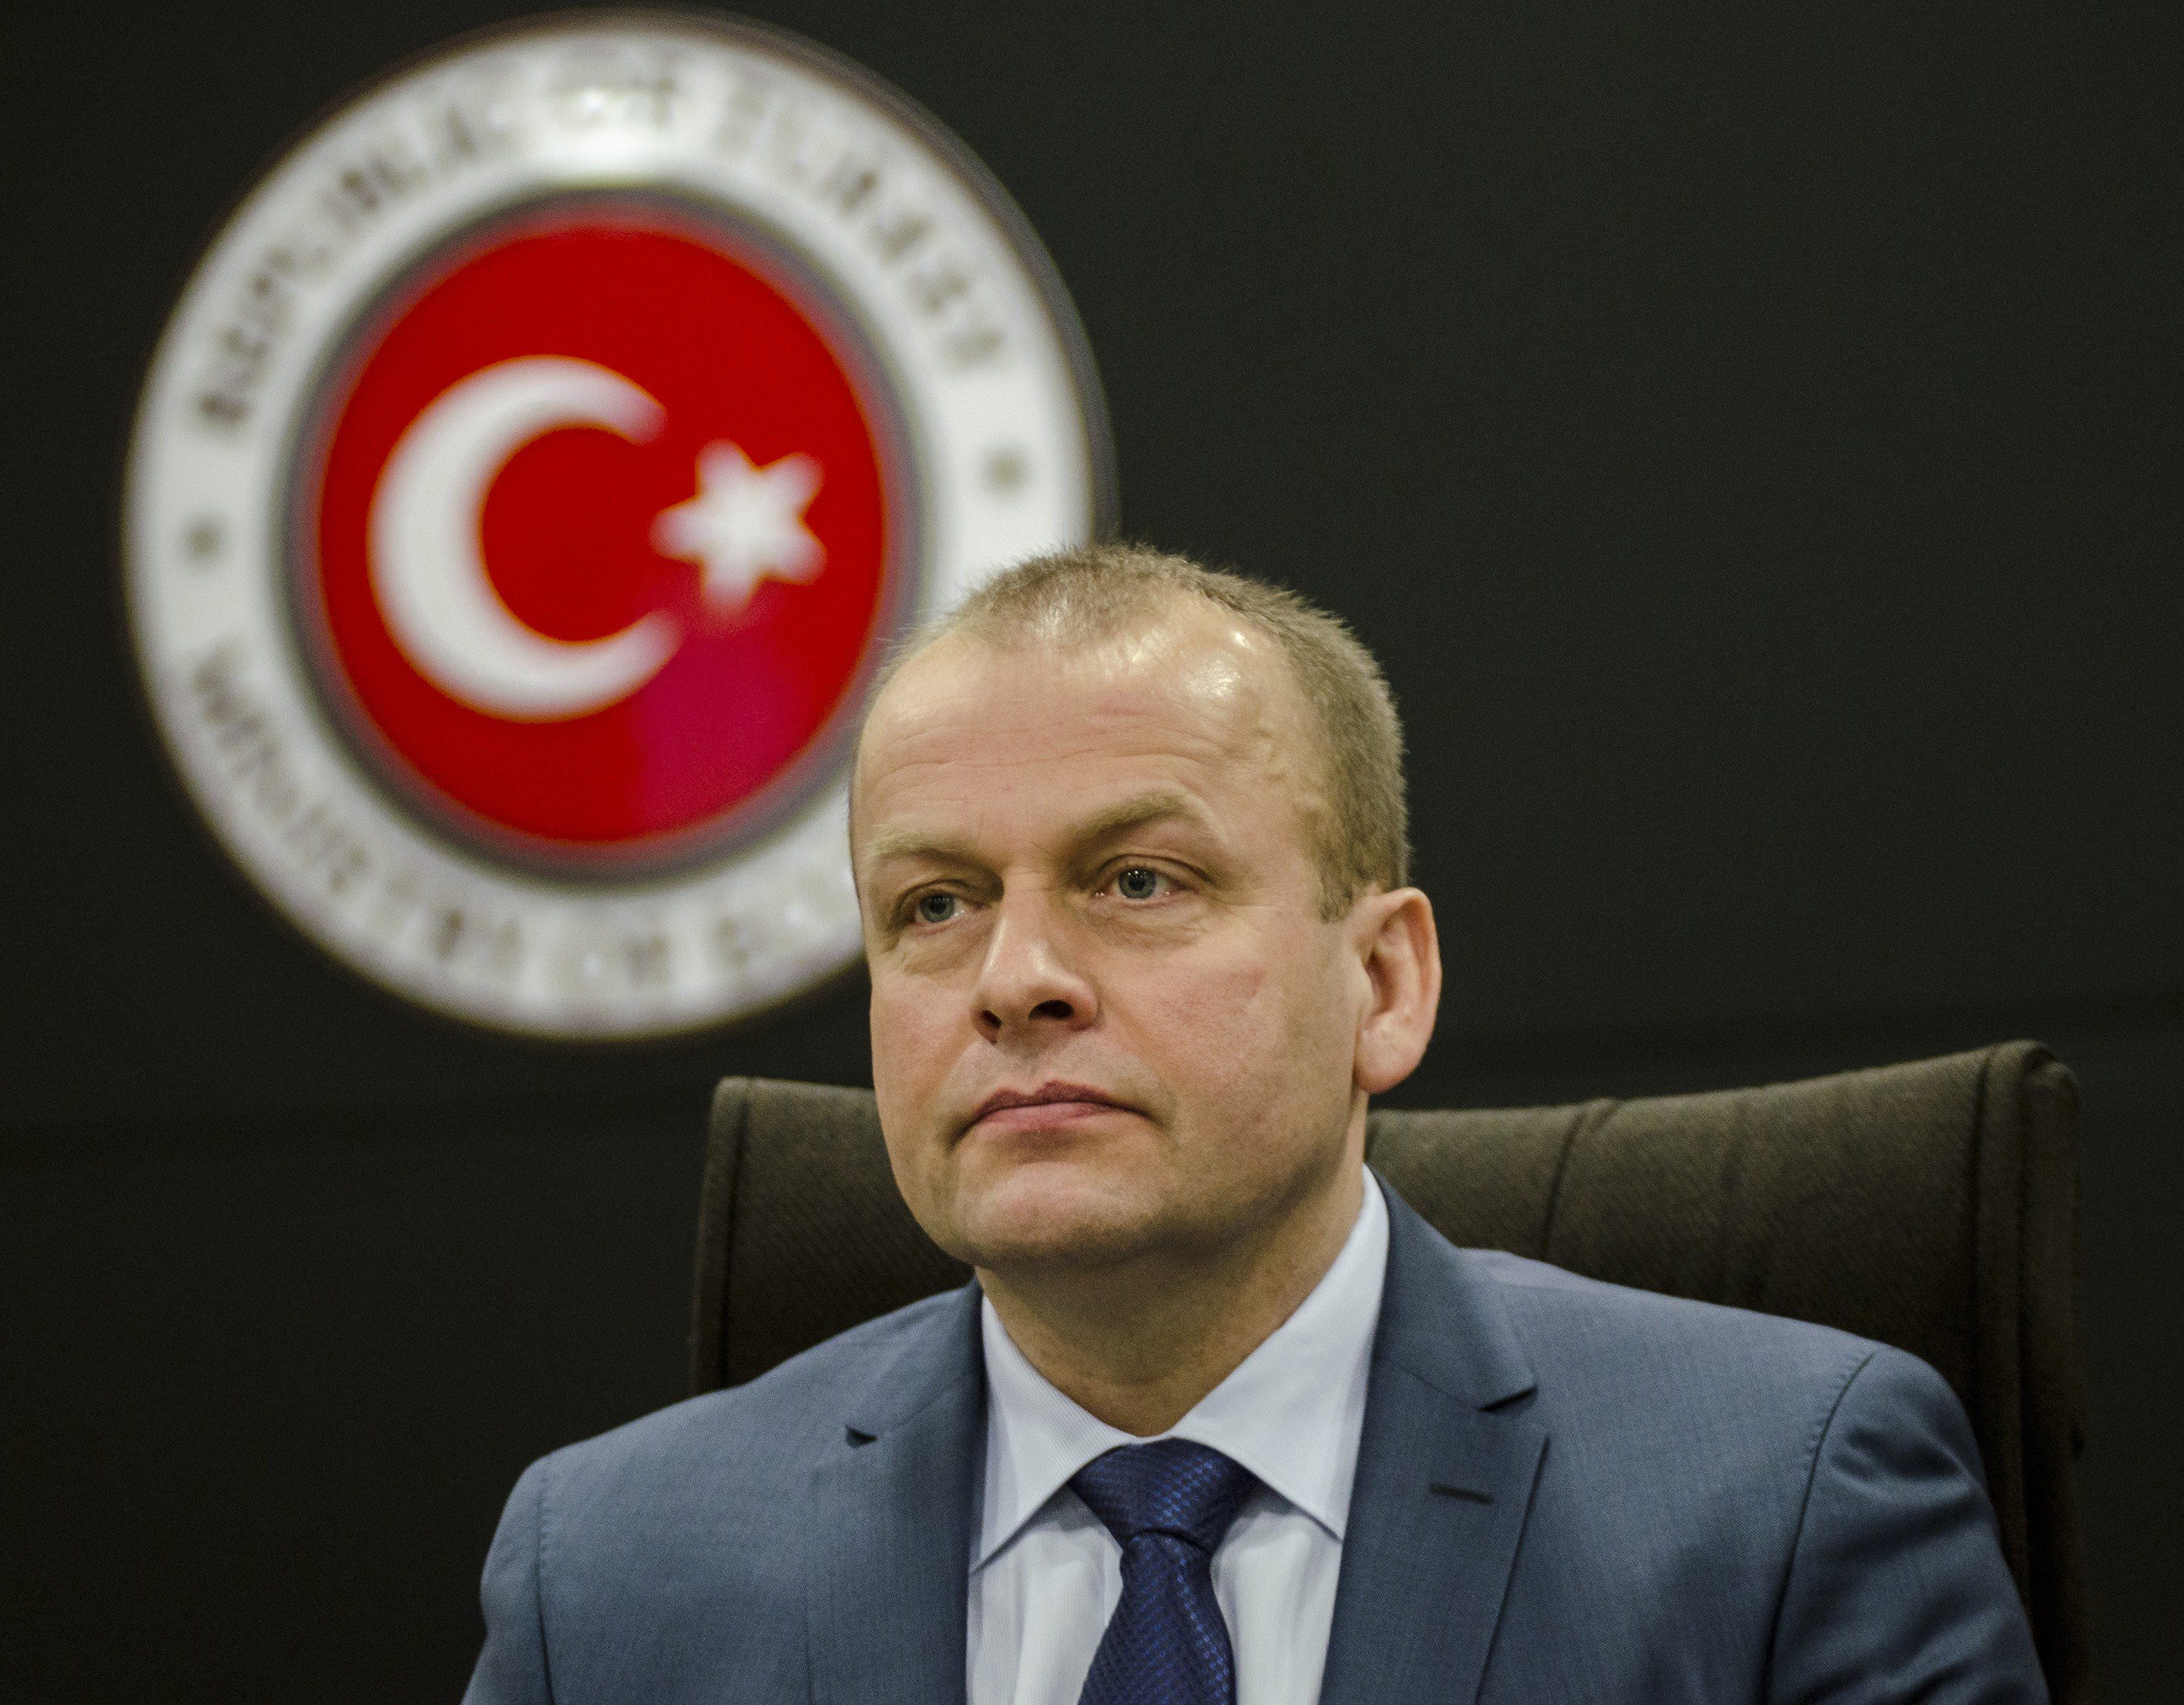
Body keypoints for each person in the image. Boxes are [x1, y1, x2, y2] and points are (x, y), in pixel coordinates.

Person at [464, 545, 2046, 1703]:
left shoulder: (1779, 1509)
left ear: (1380, 981)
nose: (1012, 980)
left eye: (1136, 880)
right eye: (931, 904)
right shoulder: (608, 1578)